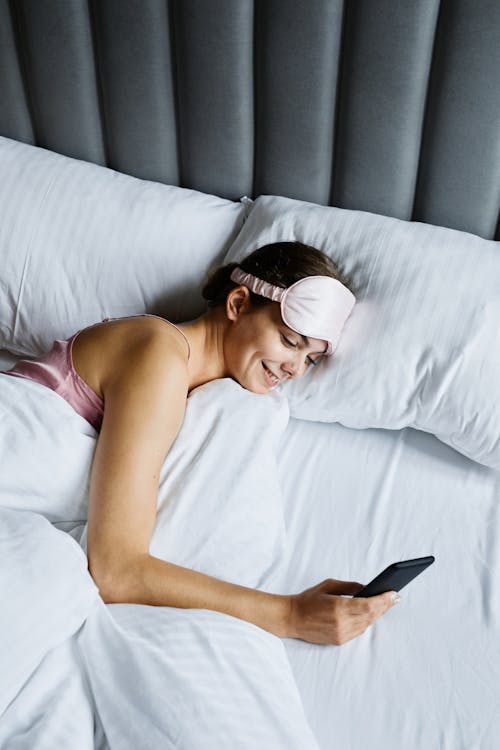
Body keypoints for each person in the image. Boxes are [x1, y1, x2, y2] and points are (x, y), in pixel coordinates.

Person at [1, 241, 399, 646]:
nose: (295, 368)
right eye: (290, 341)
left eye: (311, 359)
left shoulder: (213, 399)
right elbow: (116, 570)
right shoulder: (159, 353)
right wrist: (289, 614)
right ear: (238, 303)